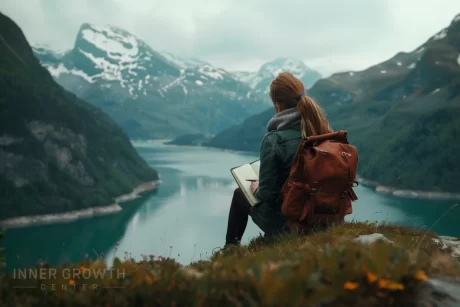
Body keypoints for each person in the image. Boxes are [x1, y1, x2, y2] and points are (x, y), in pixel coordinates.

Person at [224, 72, 333, 247]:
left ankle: (230, 249)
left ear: (277, 105)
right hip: (326, 218)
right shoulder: (323, 131)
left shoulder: (274, 140)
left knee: (239, 194)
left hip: (290, 223)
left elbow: (267, 194)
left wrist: (256, 187)